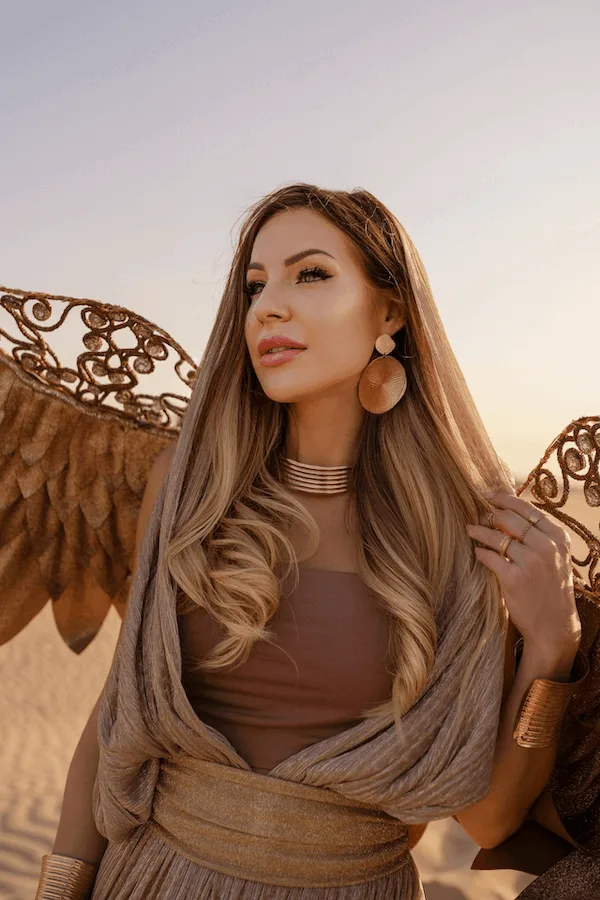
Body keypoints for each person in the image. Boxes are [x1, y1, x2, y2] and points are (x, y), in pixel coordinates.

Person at [32, 183, 586, 899]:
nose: (268, 305)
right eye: (255, 285)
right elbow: (117, 716)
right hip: (152, 879)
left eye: (311, 274)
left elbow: (489, 819)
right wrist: (58, 892)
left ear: (391, 311)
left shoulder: (464, 529)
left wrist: (552, 646)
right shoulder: (191, 490)